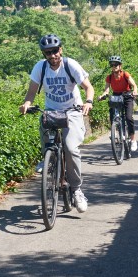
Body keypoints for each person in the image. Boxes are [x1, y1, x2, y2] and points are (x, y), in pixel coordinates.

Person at [19, 34, 95, 213]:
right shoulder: (41, 67)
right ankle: (48, 158)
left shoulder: (71, 65)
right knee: (44, 127)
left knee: (70, 148)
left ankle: (76, 189)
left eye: (54, 51)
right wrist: (26, 104)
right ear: (44, 54)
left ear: (60, 50)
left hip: (73, 110)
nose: (52, 55)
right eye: (48, 53)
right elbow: (31, 93)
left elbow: (88, 87)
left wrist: (89, 102)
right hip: (52, 111)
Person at [97, 55, 138, 151]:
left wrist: (135, 91)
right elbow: (106, 90)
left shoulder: (125, 74)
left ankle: (133, 140)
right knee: (112, 114)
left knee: (128, 118)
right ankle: (115, 132)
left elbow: (134, 85)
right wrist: (102, 95)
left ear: (120, 66)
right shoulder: (109, 77)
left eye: (116, 64)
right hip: (116, 96)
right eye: (112, 64)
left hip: (127, 96)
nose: (114, 66)